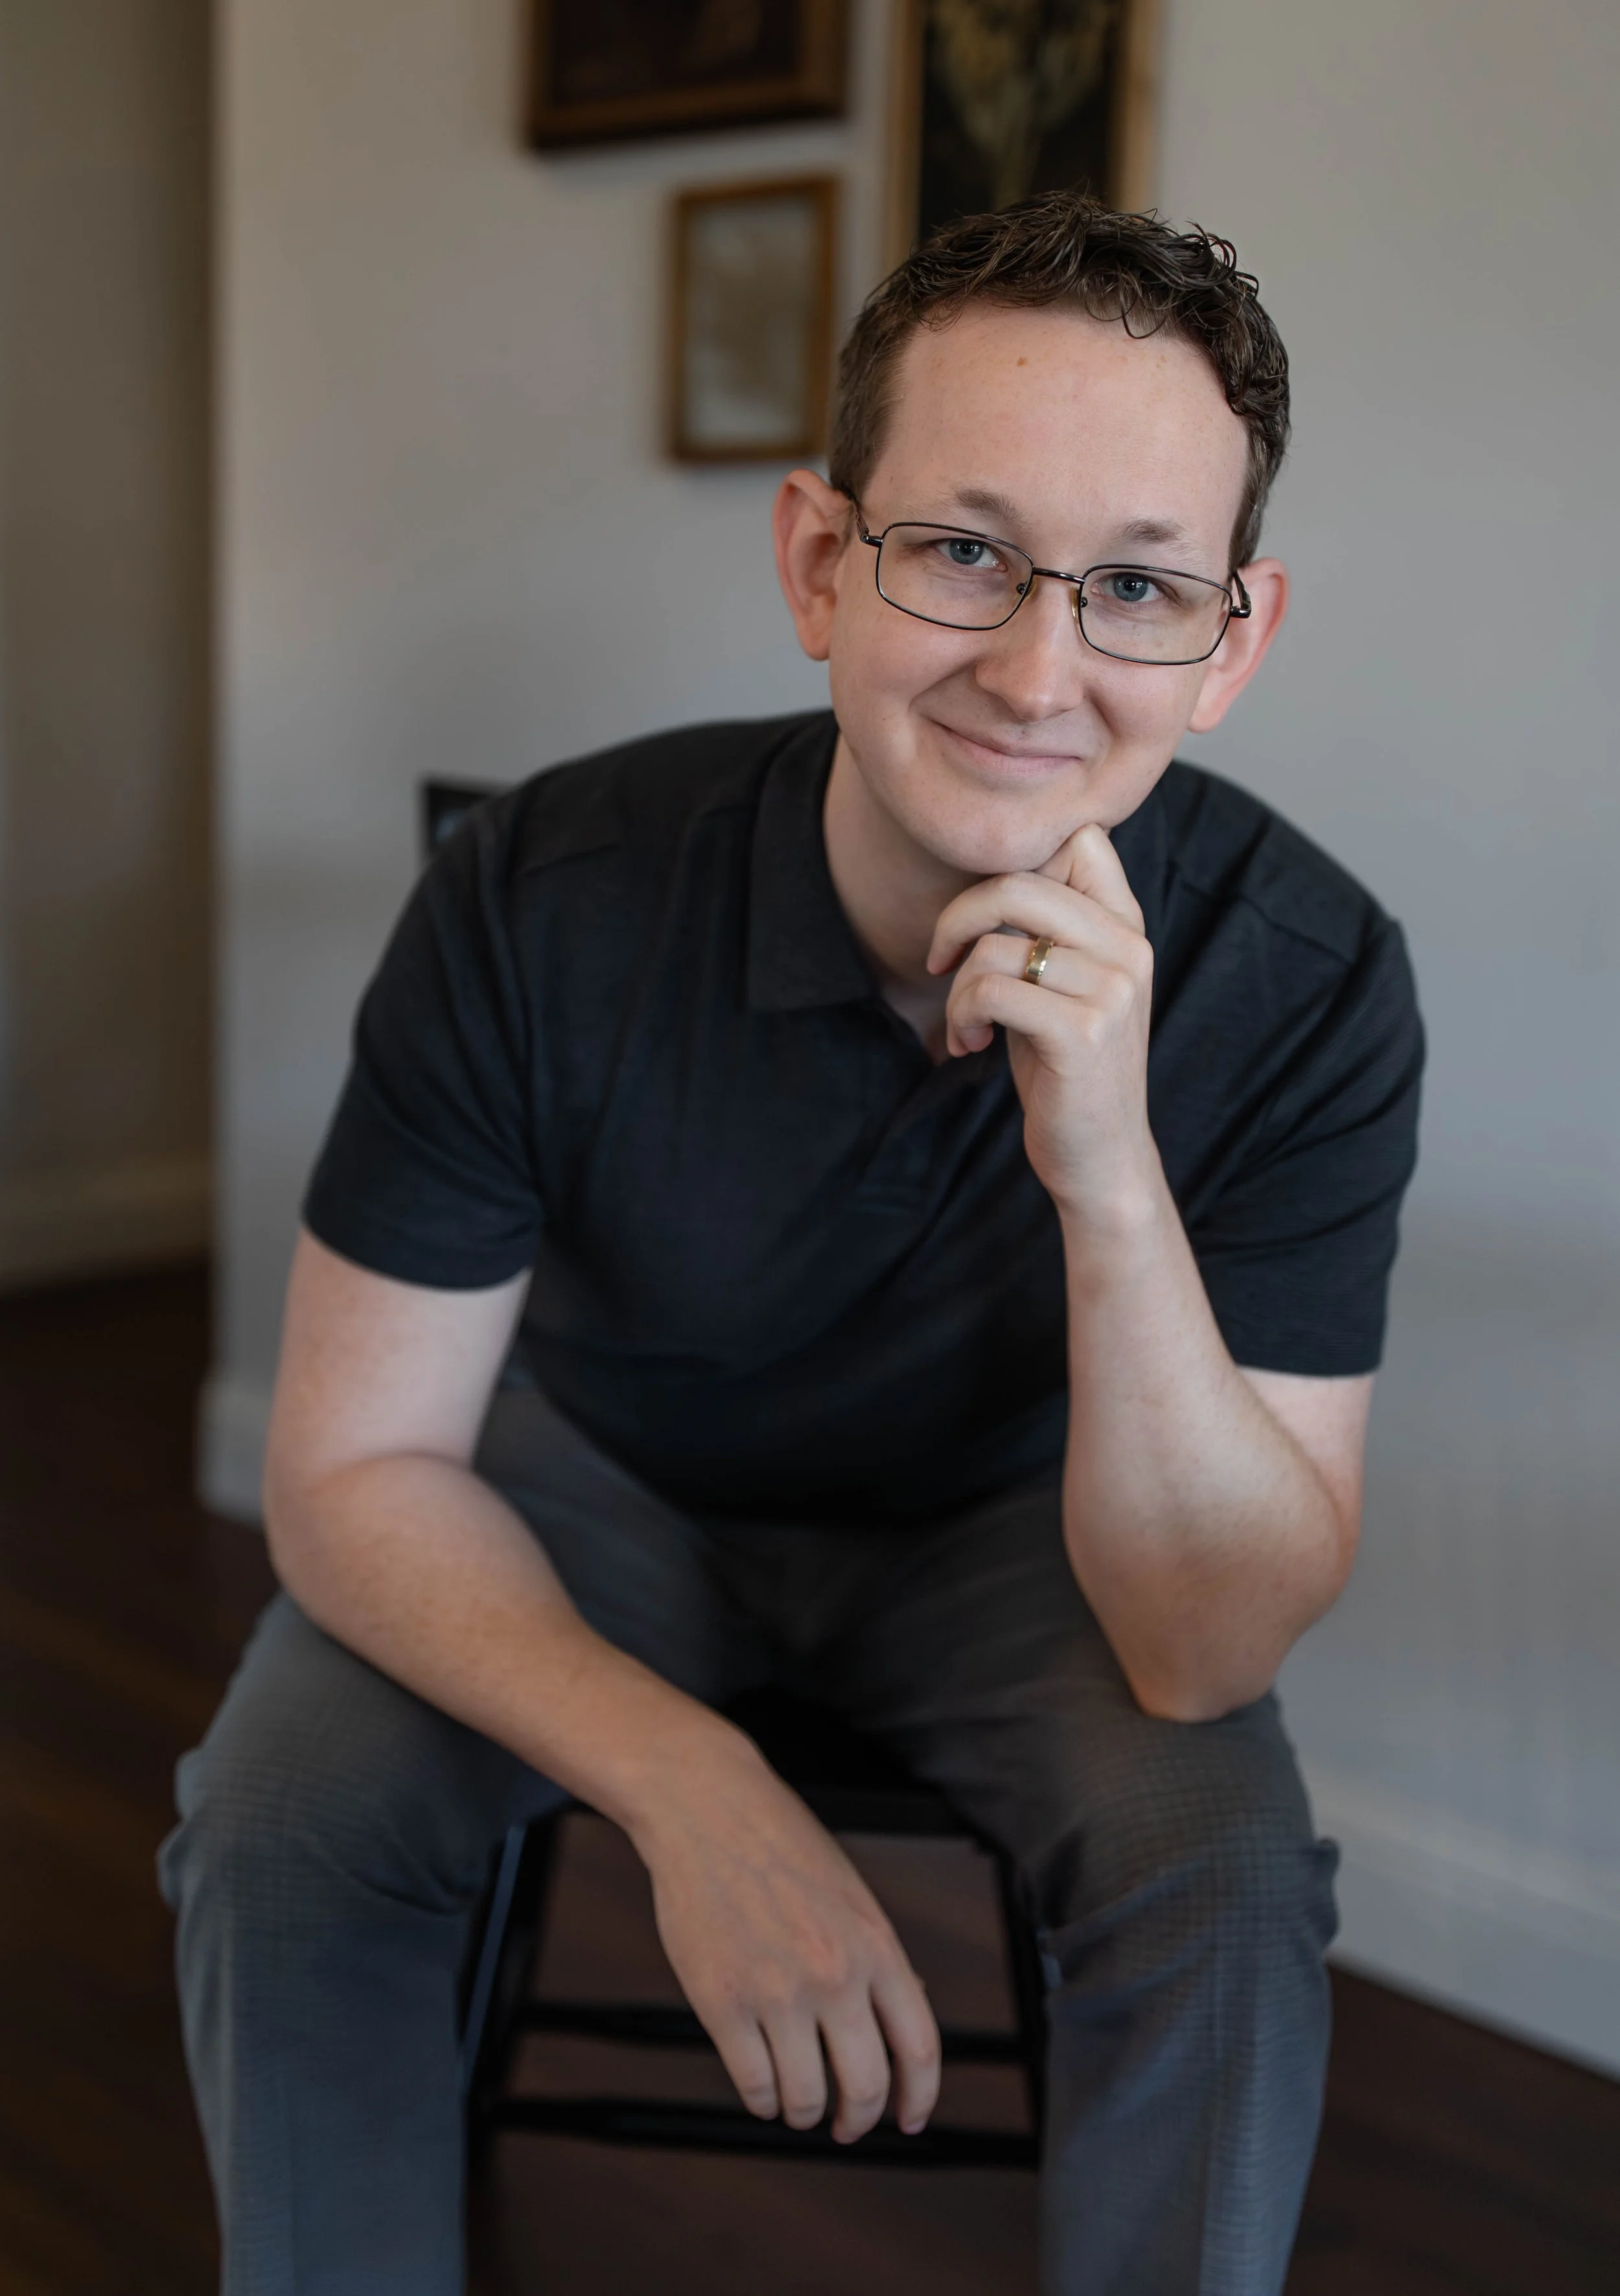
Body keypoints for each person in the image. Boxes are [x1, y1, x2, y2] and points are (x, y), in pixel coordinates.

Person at [161, 193, 1422, 2295]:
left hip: (1027, 1539)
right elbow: (351, 1463)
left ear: (1231, 643)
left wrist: (1108, 1168)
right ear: (817, 563)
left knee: (1219, 1869)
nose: (1037, 670)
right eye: (961, 551)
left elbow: (1204, 1646)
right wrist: (695, 1784)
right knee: (281, 1819)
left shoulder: (1309, 979)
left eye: (1133, 588)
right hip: (601, 1488)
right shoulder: (541, 892)